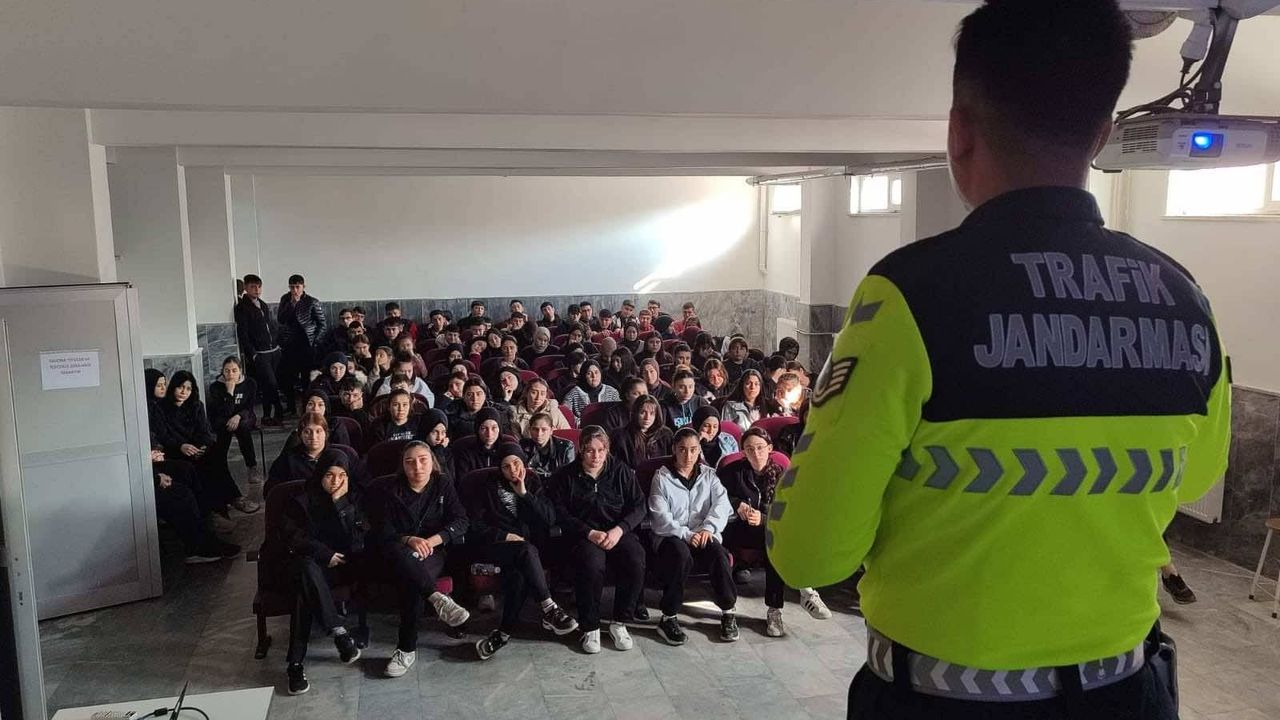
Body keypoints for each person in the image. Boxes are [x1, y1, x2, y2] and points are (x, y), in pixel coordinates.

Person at [769, 4, 1227, 718]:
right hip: (1126, 694)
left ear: (959, 130)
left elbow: (810, 554)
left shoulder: (910, 294)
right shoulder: (1184, 296)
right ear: (1103, 133)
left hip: (946, 700)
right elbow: (1195, 476)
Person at [367, 442, 471, 678]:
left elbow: (461, 521)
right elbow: (381, 529)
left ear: (432, 462)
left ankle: (406, 650)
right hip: (396, 551)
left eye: (423, 460)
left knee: (413, 583)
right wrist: (408, 539)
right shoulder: (389, 489)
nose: (417, 466)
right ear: (402, 466)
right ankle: (437, 598)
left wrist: (431, 542)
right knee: (407, 564)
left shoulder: (443, 484)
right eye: (410, 461)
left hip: (432, 551)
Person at [466, 443, 579, 660]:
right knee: (526, 550)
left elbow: (549, 518)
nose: (513, 470)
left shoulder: (534, 482)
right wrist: (505, 536)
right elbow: (475, 525)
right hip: (497, 546)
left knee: (518, 576)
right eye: (506, 466)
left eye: (516, 464)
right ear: (500, 468)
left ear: (524, 464)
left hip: (528, 552)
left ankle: (503, 633)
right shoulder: (486, 486)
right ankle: (549, 609)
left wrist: (525, 494)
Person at [719, 428, 830, 638]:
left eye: (760, 448)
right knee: (777, 540)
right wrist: (737, 504)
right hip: (737, 529)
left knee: (776, 543)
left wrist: (763, 517)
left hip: (768, 528)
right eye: (749, 449)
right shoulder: (732, 472)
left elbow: (791, 509)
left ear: (769, 448)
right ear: (743, 451)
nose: (755, 453)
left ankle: (777, 608)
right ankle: (804, 589)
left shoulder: (782, 474)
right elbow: (716, 494)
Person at [548, 426, 646, 653]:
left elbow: (639, 506)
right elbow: (558, 511)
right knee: (591, 564)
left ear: (607, 450)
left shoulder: (620, 471)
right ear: (581, 450)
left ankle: (619, 622)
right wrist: (588, 532)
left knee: (635, 559)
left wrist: (619, 530)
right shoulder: (565, 476)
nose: (596, 456)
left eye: (601, 450)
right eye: (590, 450)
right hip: (583, 534)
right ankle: (590, 625)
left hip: (616, 531)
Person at [281, 451, 369, 695]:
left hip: (344, 567)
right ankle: (338, 632)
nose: (336, 481)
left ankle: (296, 663)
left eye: (342, 476)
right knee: (305, 572)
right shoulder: (300, 501)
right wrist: (324, 554)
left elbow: (358, 542)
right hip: (312, 565)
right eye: (330, 475)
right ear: (320, 475)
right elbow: (293, 537)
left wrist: (341, 504)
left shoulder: (356, 499)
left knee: (304, 588)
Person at [649, 428, 737, 645]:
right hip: (672, 535)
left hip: (703, 532)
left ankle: (728, 611)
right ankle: (668, 617)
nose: (688, 456)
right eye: (682, 449)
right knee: (680, 555)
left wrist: (708, 528)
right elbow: (660, 516)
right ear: (674, 450)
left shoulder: (709, 475)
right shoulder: (662, 477)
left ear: (699, 451)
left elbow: (722, 505)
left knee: (718, 554)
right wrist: (686, 535)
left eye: (693, 450)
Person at [163, 370, 260, 515]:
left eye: (188, 388)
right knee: (201, 464)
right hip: (177, 450)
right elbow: (165, 436)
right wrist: (181, 447)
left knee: (216, 454)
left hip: (196, 448)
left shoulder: (196, 405)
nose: (184, 392)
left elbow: (204, 431)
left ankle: (234, 498)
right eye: (180, 387)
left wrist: (201, 446)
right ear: (173, 387)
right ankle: (219, 507)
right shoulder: (163, 408)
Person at [234, 274, 285, 425]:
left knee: (269, 385)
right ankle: (278, 410)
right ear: (245, 288)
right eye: (253, 287)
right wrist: (253, 354)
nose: (257, 289)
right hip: (260, 354)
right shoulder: (242, 308)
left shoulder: (262, 304)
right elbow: (243, 334)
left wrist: (277, 345)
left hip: (273, 351)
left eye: (259, 286)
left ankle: (267, 414)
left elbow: (270, 327)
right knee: (270, 383)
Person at [206, 356, 262, 485]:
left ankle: (252, 466)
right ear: (222, 371)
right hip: (224, 418)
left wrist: (238, 416)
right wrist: (230, 392)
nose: (230, 374)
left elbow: (250, 406)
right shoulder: (215, 387)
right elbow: (223, 412)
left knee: (242, 427)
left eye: (234, 370)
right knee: (225, 429)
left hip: (245, 416)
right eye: (227, 371)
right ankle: (221, 468)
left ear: (240, 371)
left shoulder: (250, 383)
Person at [277, 274, 327, 402]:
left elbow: (322, 324)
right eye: (292, 287)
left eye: (297, 287)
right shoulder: (285, 299)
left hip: (307, 344)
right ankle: (291, 405)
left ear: (303, 287)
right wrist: (292, 305)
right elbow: (280, 319)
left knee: (307, 377)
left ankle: (307, 403)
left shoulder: (312, 301)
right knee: (287, 377)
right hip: (290, 344)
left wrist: (315, 341)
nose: (295, 290)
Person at [608, 395, 673, 469]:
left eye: (652, 413)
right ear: (635, 413)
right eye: (643, 412)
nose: (647, 418)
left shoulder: (666, 434)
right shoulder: (620, 436)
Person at [520, 412, 576, 480]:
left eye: (544, 429)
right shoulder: (523, 445)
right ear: (529, 429)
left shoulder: (566, 447)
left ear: (551, 430)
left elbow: (569, 476)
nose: (539, 434)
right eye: (535, 429)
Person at [452, 407, 504, 480]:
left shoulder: (506, 450)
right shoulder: (465, 452)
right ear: (477, 429)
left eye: (494, 428)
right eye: (484, 428)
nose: (489, 434)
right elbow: (463, 481)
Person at [420, 409, 454, 482]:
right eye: (435, 432)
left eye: (443, 432)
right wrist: (439, 450)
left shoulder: (447, 452)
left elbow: (449, 481)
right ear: (425, 431)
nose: (439, 438)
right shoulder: (415, 450)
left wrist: (439, 451)